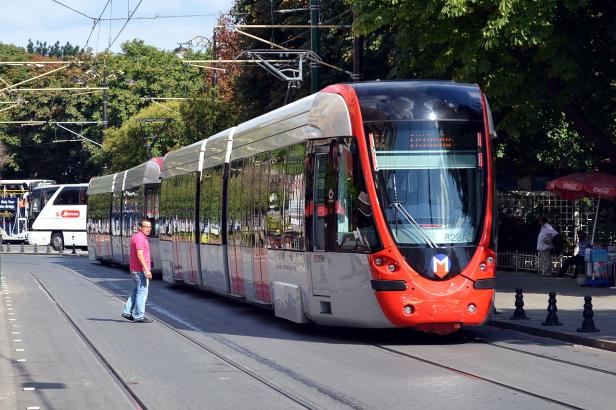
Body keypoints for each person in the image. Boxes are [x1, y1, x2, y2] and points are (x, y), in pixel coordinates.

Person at [122, 218, 153, 323]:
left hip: (135, 269)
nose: (148, 229)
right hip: (140, 271)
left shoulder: (138, 237)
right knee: (142, 293)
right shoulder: (139, 238)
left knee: (136, 291)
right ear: (140, 227)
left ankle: (127, 312)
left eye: (150, 227)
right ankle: (139, 316)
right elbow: (139, 255)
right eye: (146, 227)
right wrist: (146, 270)